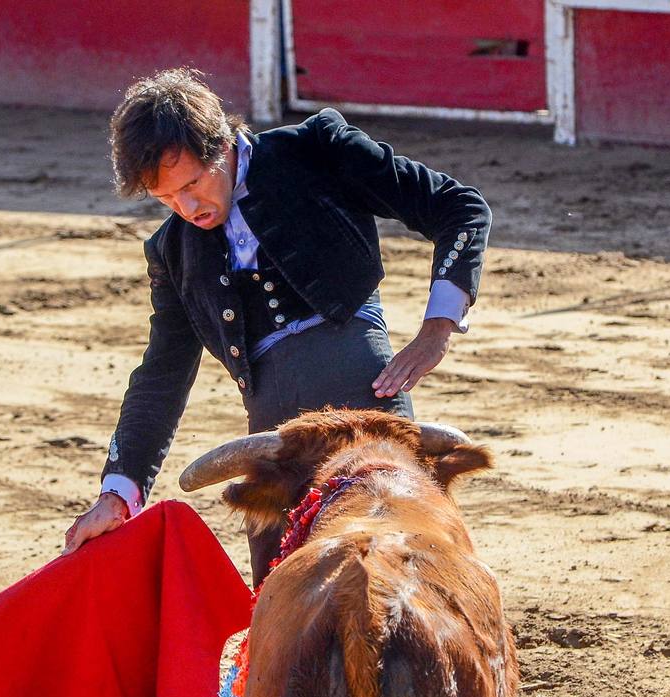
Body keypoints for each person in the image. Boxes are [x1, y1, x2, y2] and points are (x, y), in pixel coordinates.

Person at [62, 68, 491, 582]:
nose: (188, 208)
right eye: (167, 199)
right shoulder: (171, 250)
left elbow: (459, 208)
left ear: (221, 144)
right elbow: (162, 374)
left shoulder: (316, 150)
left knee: (417, 564)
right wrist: (118, 492)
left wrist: (437, 328)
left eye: (194, 183)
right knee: (274, 598)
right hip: (273, 441)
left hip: (367, 404)